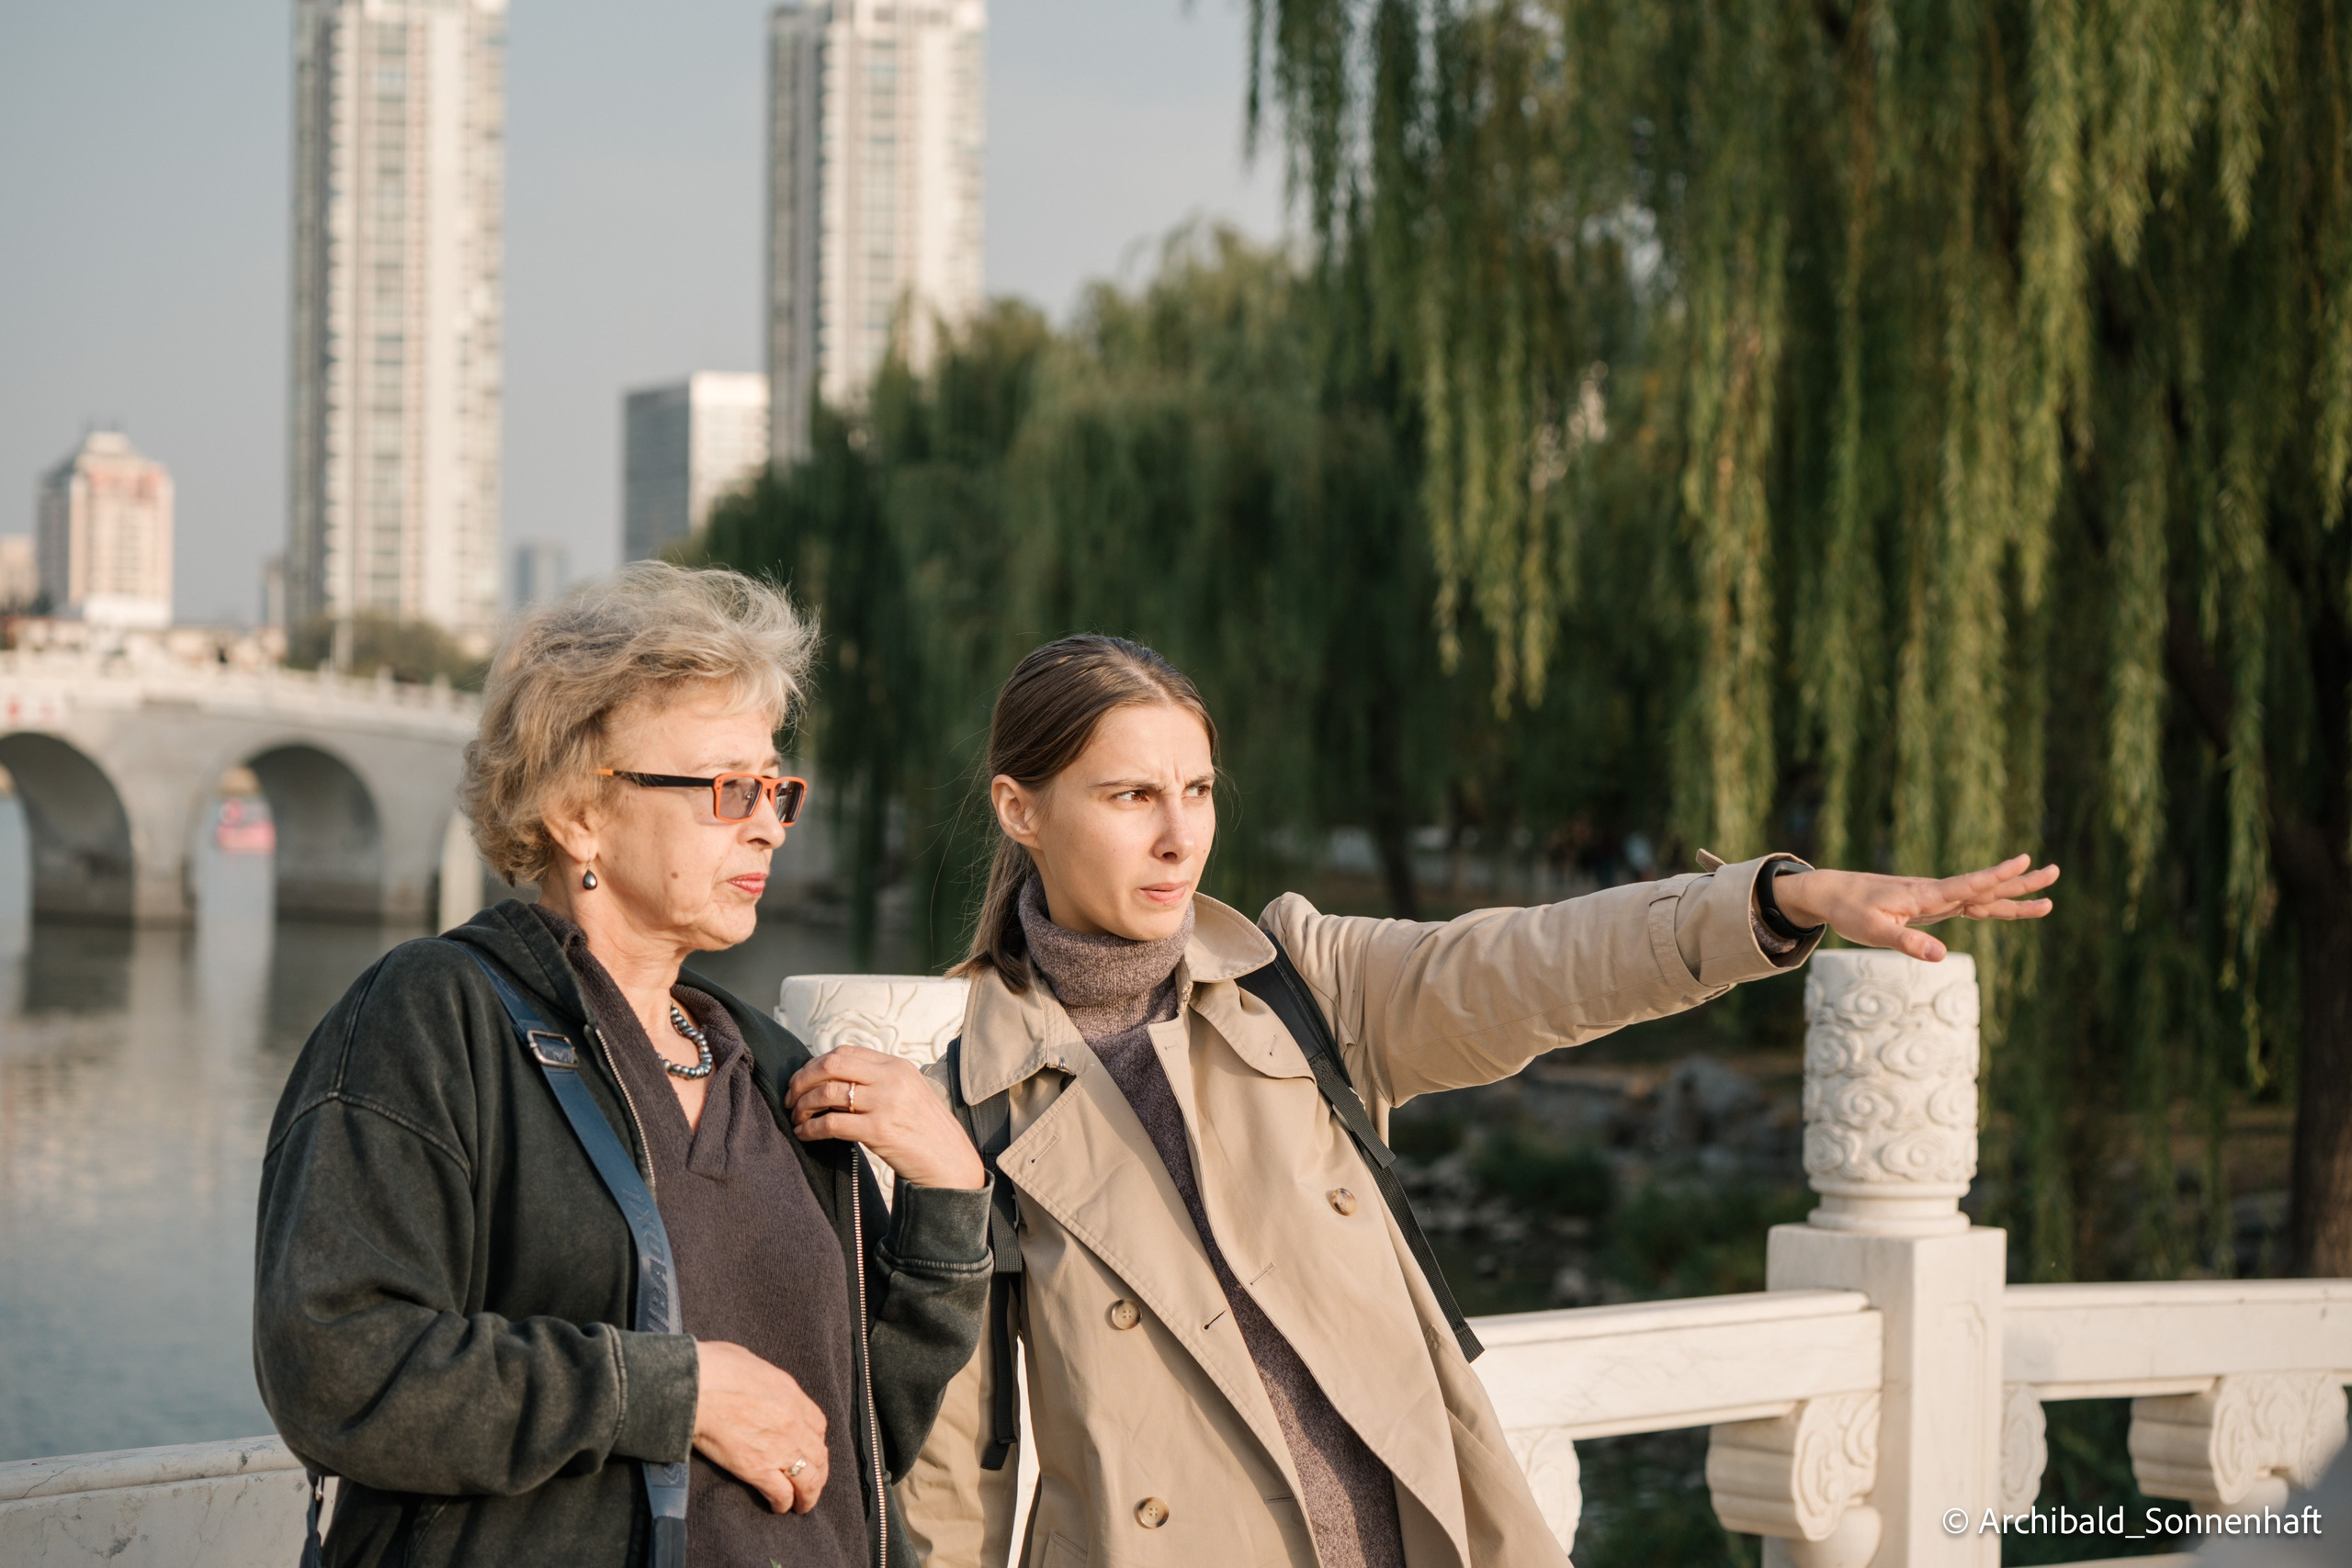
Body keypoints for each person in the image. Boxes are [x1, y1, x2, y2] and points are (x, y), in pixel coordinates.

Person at [894, 634, 2061, 1568]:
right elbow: (954, 1471)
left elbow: (1534, 963)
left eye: (1196, 789)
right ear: (1020, 809)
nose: (1178, 835)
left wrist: (1773, 902)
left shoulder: (1297, 987)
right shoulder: (967, 1100)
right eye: (1130, 795)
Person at [254, 563, 992, 1568]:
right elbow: (332, 1365)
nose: (770, 821)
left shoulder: (770, 1071)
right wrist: (670, 1393)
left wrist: (948, 1198)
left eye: (776, 787)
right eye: (730, 788)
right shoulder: (434, 1017)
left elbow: (858, 1443)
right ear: (578, 812)